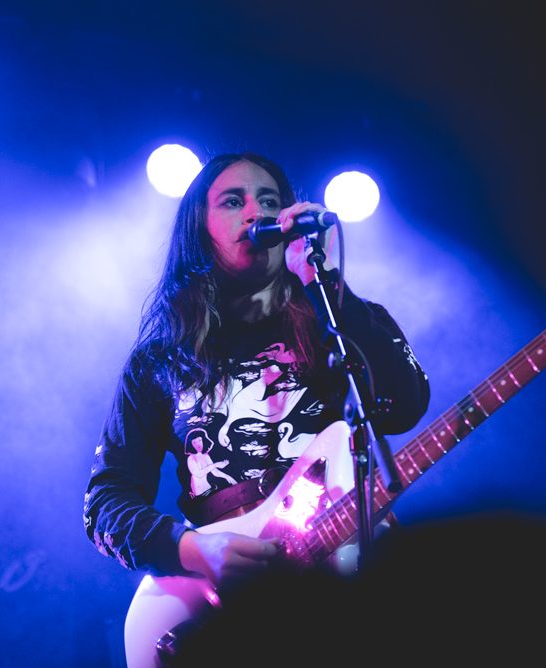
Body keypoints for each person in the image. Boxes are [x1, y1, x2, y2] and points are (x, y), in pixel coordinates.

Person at [84, 153, 429, 585]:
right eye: (233, 202)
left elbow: (404, 408)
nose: (258, 213)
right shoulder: (160, 359)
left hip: (355, 575)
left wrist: (328, 286)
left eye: (270, 201)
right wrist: (191, 549)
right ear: (199, 230)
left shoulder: (341, 318)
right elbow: (107, 502)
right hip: (234, 604)